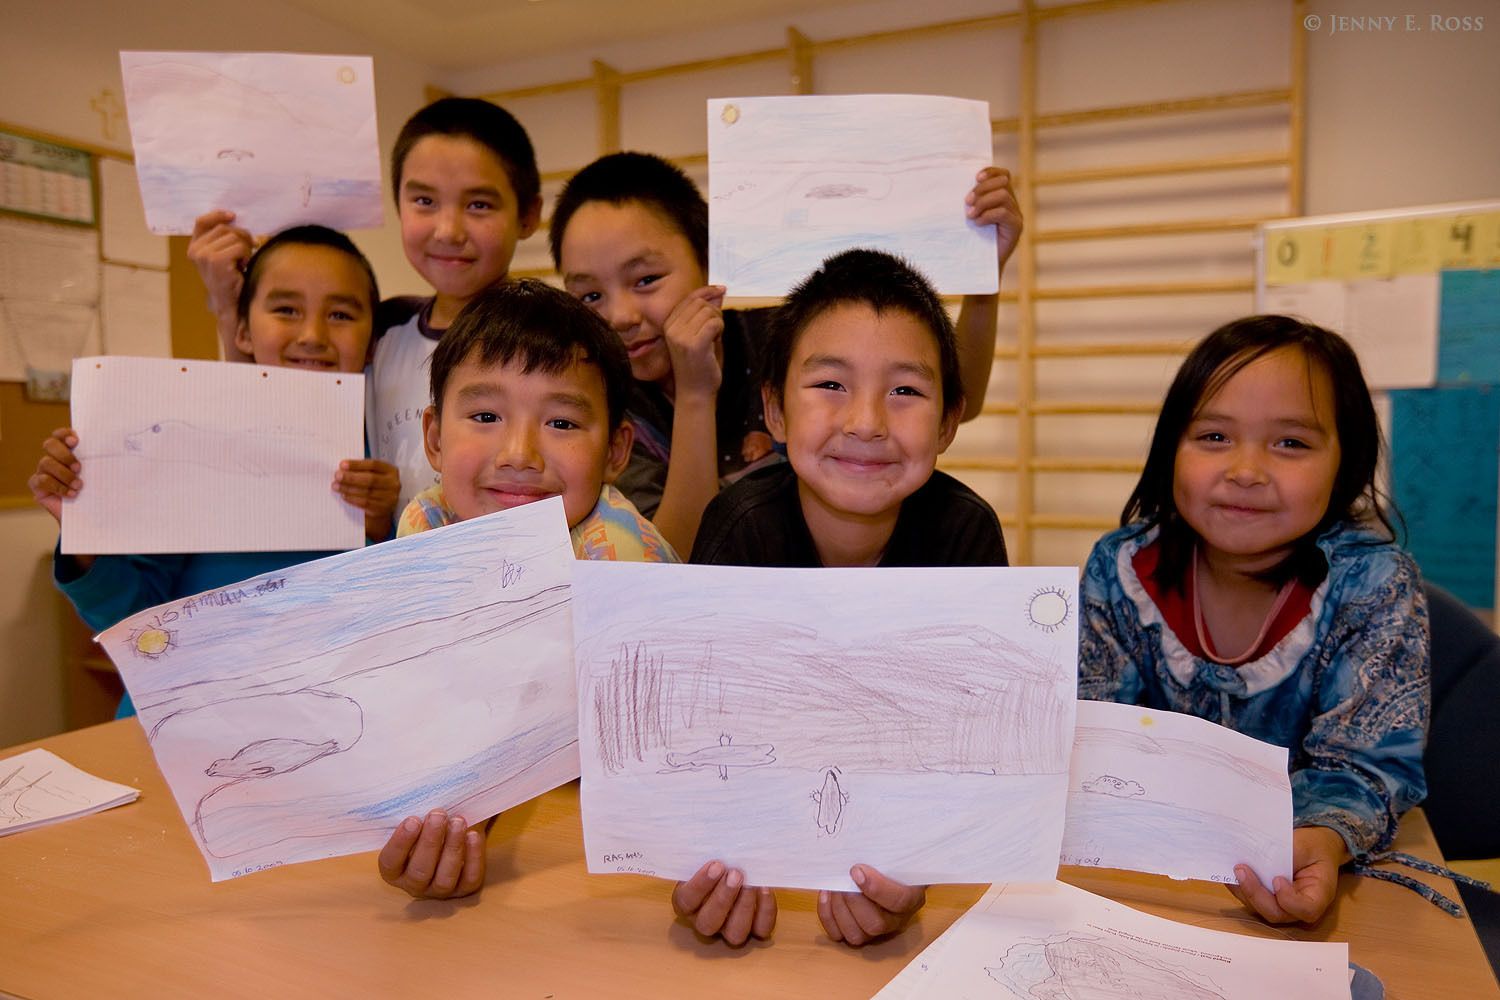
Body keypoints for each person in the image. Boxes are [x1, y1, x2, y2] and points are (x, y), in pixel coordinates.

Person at [678, 248, 1008, 947]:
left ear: (950, 421)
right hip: (764, 864)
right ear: (773, 407)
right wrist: (707, 860)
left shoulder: (965, 535)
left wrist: (919, 865)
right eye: (830, 383)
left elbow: (968, 755)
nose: (866, 421)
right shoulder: (738, 530)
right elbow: (704, 737)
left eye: (906, 392)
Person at [1078, 314, 1429, 925]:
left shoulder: (1373, 584)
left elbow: (1364, 766)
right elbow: (1096, 734)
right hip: (1140, 877)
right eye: (1214, 437)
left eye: (1291, 443)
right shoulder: (1122, 567)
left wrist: (1320, 841)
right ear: (1171, 450)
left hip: (1310, 872)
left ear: (1345, 463)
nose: (1245, 470)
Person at [549, 151, 1021, 555]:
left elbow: (956, 396)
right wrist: (696, 392)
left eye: (646, 279)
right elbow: (676, 564)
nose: (621, 314)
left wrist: (982, 277)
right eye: (589, 296)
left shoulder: (778, 332)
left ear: (711, 260)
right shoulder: (596, 401)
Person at [376, 279, 678, 900]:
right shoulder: (425, 521)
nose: (519, 454)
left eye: (562, 422)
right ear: (433, 438)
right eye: (485, 417)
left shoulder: (621, 561)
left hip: (606, 839)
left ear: (617, 448)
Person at [29, 225, 397, 717]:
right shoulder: (181, 435)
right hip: (182, 719)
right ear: (243, 330)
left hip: (321, 721)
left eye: (341, 314)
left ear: (372, 342)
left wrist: (377, 528)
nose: (312, 335)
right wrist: (85, 535)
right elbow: (132, 619)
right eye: (286, 309)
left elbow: (392, 626)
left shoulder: (383, 461)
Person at [189, 97, 543, 516]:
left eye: (479, 205)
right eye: (424, 202)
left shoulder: (548, 340)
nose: (448, 231)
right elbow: (270, 400)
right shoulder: (384, 329)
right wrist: (228, 304)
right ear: (398, 205)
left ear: (529, 215)